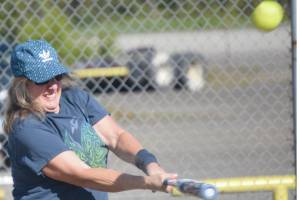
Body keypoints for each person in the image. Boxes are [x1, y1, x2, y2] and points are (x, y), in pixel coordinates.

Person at [3, 39, 177, 200]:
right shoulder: (26, 128)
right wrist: (145, 182)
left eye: (57, 76)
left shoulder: (75, 98)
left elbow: (115, 137)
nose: (53, 86)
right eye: (42, 80)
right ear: (23, 85)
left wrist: (151, 165)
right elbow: (83, 174)